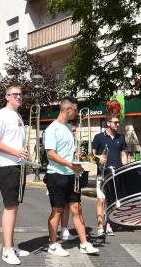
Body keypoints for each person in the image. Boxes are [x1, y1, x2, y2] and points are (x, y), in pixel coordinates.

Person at [44, 97, 99, 257]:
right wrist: (71, 165)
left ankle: (84, 243)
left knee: (76, 208)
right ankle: (53, 245)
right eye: (75, 110)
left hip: (71, 175)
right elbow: (51, 154)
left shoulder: (68, 127)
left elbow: (67, 153)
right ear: (68, 110)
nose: (76, 113)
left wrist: (78, 164)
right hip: (56, 175)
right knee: (57, 211)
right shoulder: (52, 129)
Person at [0, 84, 31, 265]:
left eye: (20, 94)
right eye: (14, 94)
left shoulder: (18, 116)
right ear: (6, 96)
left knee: (14, 206)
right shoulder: (0, 115)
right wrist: (15, 152)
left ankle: (11, 246)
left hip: (17, 165)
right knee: (10, 207)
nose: (18, 97)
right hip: (6, 166)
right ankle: (6, 250)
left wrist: (23, 152)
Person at [91, 114, 127, 237]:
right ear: (108, 123)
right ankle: (100, 226)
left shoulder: (121, 137)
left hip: (116, 173)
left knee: (112, 201)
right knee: (101, 200)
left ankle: (109, 225)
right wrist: (98, 157)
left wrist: (125, 168)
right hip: (102, 174)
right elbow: (92, 155)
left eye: (118, 122)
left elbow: (123, 154)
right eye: (115, 122)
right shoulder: (98, 137)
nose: (118, 124)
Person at [58, 122, 78, 242]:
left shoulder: (72, 141)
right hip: (59, 173)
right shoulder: (62, 138)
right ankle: (53, 237)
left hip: (70, 173)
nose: (75, 132)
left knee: (68, 206)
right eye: (73, 130)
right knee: (58, 207)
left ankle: (64, 230)